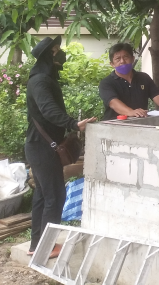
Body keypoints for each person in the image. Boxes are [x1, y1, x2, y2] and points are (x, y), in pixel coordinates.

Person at [25, 36, 96, 256]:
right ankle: (46, 247)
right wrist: (73, 124)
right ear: (48, 56)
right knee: (55, 196)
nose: (61, 54)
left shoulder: (43, 78)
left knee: (44, 196)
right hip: (42, 147)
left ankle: (37, 245)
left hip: (40, 146)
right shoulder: (40, 81)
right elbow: (48, 110)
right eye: (56, 51)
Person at [98, 42, 159, 120]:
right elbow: (113, 103)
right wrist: (131, 112)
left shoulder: (143, 77)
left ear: (132, 59)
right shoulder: (106, 83)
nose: (122, 61)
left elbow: (157, 95)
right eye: (118, 59)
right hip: (114, 126)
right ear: (112, 64)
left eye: (125, 57)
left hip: (140, 122)